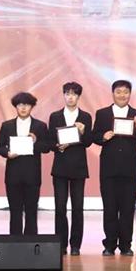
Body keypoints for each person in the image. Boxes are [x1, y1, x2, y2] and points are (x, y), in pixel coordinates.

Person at [93, 80, 136, 255]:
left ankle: (126, 245)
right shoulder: (102, 114)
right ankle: (109, 244)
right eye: (118, 92)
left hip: (129, 168)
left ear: (130, 94)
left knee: (127, 208)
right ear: (112, 93)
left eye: (125, 92)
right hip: (109, 168)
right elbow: (94, 136)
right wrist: (103, 136)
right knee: (109, 208)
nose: (122, 95)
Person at [47, 82, 93, 255]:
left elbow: (88, 142)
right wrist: (57, 146)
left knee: (77, 208)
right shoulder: (55, 116)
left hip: (78, 167)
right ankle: (60, 244)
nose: (70, 97)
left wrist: (83, 131)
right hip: (60, 167)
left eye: (74, 94)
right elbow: (50, 141)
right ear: (64, 95)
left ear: (79, 97)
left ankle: (75, 245)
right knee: (60, 208)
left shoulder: (85, 117)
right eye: (67, 94)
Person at [0, 92, 49, 235]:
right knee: (15, 211)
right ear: (15, 106)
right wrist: (7, 153)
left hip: (32, 175)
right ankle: (15, 241)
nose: (23, 108)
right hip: (13, 175)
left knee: (31, 211)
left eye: (26, 105)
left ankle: (31, 242)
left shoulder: (40, 126)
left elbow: (47, 147)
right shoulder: (7, 125)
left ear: (32, 106)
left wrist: (35, 141)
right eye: (20, 105)